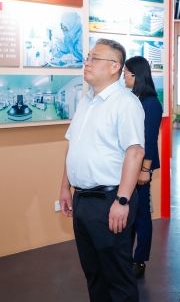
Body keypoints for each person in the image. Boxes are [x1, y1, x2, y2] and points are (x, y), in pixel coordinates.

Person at [59, 38, 145, 302]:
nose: (87, 63)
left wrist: (122, 200)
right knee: (94, 274)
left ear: (114, 67)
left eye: (95, 58)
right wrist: (65, 187)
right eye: (88, 57)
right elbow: (74, 146)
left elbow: (135, 152)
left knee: (117, 277)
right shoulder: (86, 101)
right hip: (83, 200)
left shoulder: (126, 103)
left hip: (110, 200)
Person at [123, 56, 163, 278]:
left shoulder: (151, 103)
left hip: (141, 167)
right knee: (128, 212)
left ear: (135, 75)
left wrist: (145, 170)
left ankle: (139, 259)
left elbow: (150, 139)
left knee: (141, 214)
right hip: (129, 164)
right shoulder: (132, 98)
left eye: (125, 73)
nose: (123, 77)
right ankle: (126, 255)